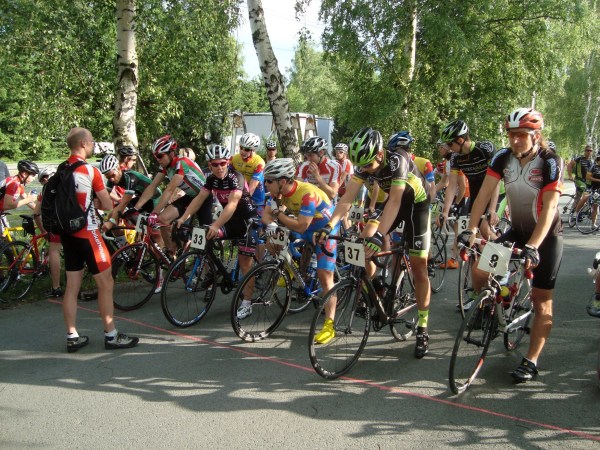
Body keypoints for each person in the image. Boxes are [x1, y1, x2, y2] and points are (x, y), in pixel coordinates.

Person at [457, 108, 563, 382]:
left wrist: (534, 246)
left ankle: (531, 360)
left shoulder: (550, 161)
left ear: (535, 135)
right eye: (511, 135)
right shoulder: (502, 158)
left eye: (521, 135)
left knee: (542, 303)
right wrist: (469, 229)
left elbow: (550, 208)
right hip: (516, 231)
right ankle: (495, 304)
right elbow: (482, 195)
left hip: (546, 237)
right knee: (480, 270)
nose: (515, 140)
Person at [317, 128, 432, 358]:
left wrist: (380, 235)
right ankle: (377, 283)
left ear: (380, 155)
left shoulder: (397, 159)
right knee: (364, 242)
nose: (367, 171)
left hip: (416, 206)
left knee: (419, 266)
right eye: (363, 167)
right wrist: (329, 226)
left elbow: (397, 199)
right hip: (391, 205)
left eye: (369, 166)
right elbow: (346, 199)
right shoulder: (364, 164)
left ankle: (422, 327)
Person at [60, 127, 139, 353]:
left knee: (72, 286)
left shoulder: (61, 169)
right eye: (92, 141)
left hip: (67, 234)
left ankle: (72, 335)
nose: (93, 144)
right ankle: (111, 335)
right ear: (83, 143)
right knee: (106, 284)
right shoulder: (89, 170)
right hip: (88, 232)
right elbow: (107, 205)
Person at [175, 144, 259, 319]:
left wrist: (215, 225)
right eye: (215, 164)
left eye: (222, 163)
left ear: (228, 162)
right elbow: (199, 199)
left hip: (246, 222)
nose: (219, 167)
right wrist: (183, 218)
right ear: (210, 164)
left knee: (245, 265)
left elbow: (233, 204)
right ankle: (216, 270)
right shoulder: (211, 179)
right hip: (229, 221)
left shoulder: (236, 177)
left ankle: (247, 304)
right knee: (205, 236)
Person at [262, 158, 338, 339]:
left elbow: (301, 226)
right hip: (304, 227)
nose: (266, 184)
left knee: (324, 276)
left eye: (269, 181)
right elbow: (266, 215)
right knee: (272, 240)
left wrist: (278, 215)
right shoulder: (279, 193)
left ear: (282, 181)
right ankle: (290, 269)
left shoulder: (307, 194)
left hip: (325, 228)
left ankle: (330, 324)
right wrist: (273, 224)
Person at [134, 135, 211, 254]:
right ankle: (171, 254)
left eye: (160, 156)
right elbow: (152, 186)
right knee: (162, 219)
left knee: (204, 237)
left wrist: (154, 213)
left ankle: (208, 269)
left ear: (171, 154)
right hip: (191, 197)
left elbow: (169, 190)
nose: (157, 159)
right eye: (155, 157)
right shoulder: (165, 166)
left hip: (204, 197)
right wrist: (136, 208)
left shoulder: (181, 163)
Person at [99, 154, 164, 247]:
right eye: (108, 177)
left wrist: (111, 221)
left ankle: (166, 255)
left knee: (155, 234)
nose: (112, 179)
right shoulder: (112, 178)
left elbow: (125, 201)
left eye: (113, 175)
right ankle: (134, 246)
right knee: (117, 214)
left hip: (154, 199)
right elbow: (104, 196)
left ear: (118, 168)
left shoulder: (130, 177)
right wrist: (106, 217)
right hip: (142, 199)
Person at [434, 139, 469, 269]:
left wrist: (457, 205)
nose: (439, 150)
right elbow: (443, 182)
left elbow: (463, 186)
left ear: (448, 148)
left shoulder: (457, 160)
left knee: (459, 229)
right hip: (455, 195)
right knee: (454, 226)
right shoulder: (447, 162)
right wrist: (428, 193)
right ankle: (457, 254)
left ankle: (454, 259)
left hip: (465, 196)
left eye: (441, 147)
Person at [33, 166, 63, 297]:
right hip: (72, 224)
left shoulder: (43, 192)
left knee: (54, 251)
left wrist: (43, 230)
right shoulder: (66, 186)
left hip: (55, 225)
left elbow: (36, 214)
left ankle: (56, 287)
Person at [387, 131, 436, 202]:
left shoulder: (424, 163)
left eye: (393, 151)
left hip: (421, 204)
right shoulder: (394, 164)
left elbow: (431, 188)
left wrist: (428, 206)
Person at [296, 136, 341, 201]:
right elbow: (297, 187)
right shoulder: (305, 165)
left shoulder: (334, 166)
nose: (308, 159)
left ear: (321, 153)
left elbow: (332, 194)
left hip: (329, 203)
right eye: (306, 156)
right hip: (312, 202)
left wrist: (317, 176)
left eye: (310, 155)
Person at [231, 133, 266, 215]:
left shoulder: (259, 163)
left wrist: (240, 201)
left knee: (257, 224)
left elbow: (252, 187)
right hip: (238, 193)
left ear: (253, 150)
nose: (242, 151)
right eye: (241, 147)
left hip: (256, 197)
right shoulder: (234, 159)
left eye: (246, 149)